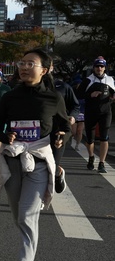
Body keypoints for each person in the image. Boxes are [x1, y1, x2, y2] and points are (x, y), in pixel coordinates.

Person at [0, 48, 70, 261]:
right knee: (18, 215)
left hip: (40, 160)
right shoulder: (10, 97)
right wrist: (6, 136)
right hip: (14, 160)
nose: (24, 67)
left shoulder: (54, 98)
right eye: (22, 63)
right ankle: (29, 250)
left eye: (30, 64)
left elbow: (64, 127)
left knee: (27, 215)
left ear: (44, 70)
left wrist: (60, 138)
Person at [76, 56, 115, 173]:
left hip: (105, 112)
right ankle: (91, 157)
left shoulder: (110, 80)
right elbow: (78, 95)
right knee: (90, 140)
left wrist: (113, 97)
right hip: (91, 112)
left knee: (104, 137)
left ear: (105, 68)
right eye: (97, 66)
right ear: (94, 67)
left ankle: (102, 163)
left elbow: (113, 93)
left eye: (102, 66)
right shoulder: (88, 80)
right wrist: (90, 95)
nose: (99, 68)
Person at [50, 63, 79, 192]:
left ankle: (58, 173)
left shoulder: (63, 87)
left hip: (58, 130)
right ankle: (40, 197)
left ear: (50, 68)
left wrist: (72, 116)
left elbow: (75, 105)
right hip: (38, 132)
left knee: (53, 165)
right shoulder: (30, 88)